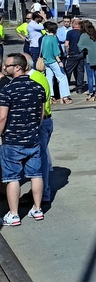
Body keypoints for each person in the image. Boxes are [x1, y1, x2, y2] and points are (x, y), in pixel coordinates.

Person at [0, 53, 47, 226]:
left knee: (12, 177)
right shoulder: (38, 87)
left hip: (12, 141)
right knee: (36, 174)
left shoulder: (7, 90)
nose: (5, 67)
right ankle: (37, 209)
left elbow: (2, 118)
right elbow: (41, 115)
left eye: (8, 65)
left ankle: (13, 215)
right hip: (33, 139)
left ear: (18, 67)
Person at [24, 53, 54, 204]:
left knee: (40, 160)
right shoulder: (37, 75)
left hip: (40, 123)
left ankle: (43, 194)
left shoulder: (33, 80)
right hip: (44, 122)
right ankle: (39, 192)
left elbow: (37, 107)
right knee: (40, 158)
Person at [40, 21, 72, 104]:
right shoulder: (53, 38)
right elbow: (56, 52)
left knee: (49, 78)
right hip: (53, 61)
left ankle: (50, 96)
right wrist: (60, 61)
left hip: (46, 61)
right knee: (62, 77)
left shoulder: (44, 38)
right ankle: (64, 96)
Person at [77, 20, 96, 101]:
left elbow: (79, 45)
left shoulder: (84, 35)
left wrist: (84, 49)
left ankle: (91, 93)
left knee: (90, 76)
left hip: (89, 57)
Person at [64, 18, 86, 93]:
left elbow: (66, 44)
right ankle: (79, 87)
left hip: (72, 53)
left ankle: (65, 86)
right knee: (80, 71)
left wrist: (67, 53)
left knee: (68, 70)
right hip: (81, 53)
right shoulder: (83, 33)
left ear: (73, 24)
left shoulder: (70, 33)